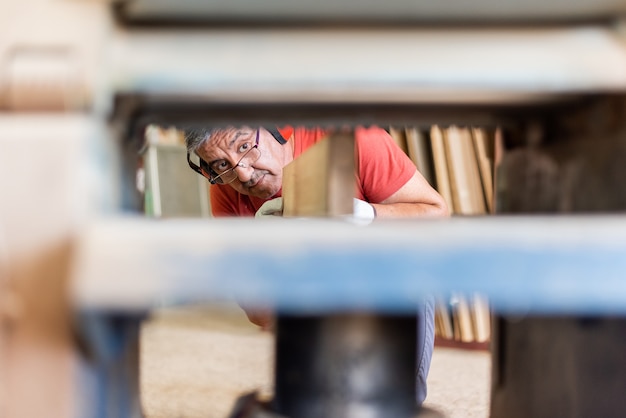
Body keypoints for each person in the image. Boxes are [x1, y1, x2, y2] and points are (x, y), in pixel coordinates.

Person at [185, 125, 449, 405]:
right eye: (222, 164)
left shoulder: (356, 140)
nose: (244, 174)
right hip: (309, 300)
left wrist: (365, 215)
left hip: (386, 280)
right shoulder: (227, 191)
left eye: (244, 146)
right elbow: (259, 312)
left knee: (386, 398)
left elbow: (436, 214)